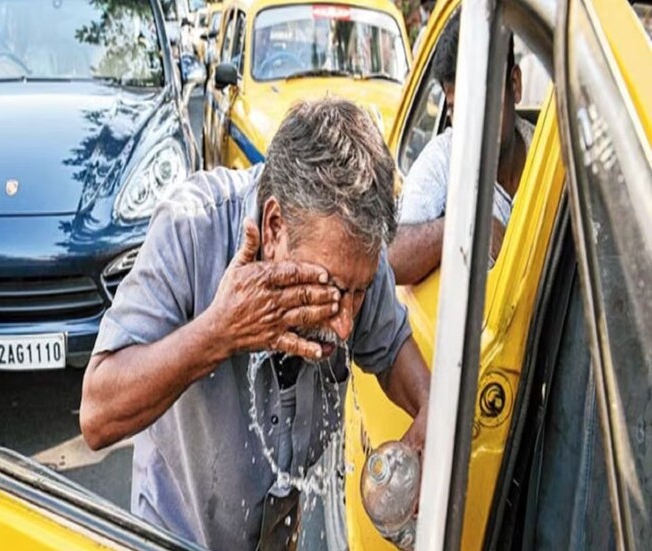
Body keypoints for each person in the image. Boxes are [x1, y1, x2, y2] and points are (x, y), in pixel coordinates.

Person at [80, 98, 431, 550]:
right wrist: (218, 333)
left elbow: (397, 357)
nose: (346, 327)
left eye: (358, 294)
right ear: (273, 227)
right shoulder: (191, 230)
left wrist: (428, 414)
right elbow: (96, 416)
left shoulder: (352, 259)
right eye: (328, 291)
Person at [389, 13, 534, 285]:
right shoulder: (444, 159)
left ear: (514, 85)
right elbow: (392, 257)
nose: (471, 124)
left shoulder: (552, 157)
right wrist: (466, 227)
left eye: (481, 100)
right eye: (457, 109)